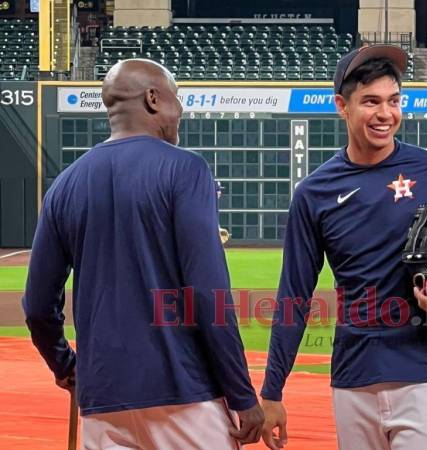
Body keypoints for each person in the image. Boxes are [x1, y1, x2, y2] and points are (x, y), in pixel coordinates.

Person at [260, 44, 427, 450]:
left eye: (393, 101)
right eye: (371, 102)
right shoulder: (314, 193)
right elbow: (294, 296)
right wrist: (272, 392)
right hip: (355, 379)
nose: (386, 114)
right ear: (341, 106)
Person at [22, 59, 264, 449]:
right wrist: (242, 395)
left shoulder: (64, 185)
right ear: (153, 98)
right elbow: (207, 293)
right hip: (184, 395)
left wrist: (67, 367)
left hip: (103, 402)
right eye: (177, 98)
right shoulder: (186, 169)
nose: (180, 111)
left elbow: (36, 306)